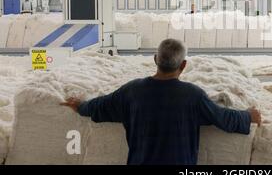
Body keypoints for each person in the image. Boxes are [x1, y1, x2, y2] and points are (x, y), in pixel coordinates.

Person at [61, 39, 261, 165]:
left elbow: (99, 107)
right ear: (183, 65)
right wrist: (248, 116)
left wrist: (79, 105)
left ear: (155, 59)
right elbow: (223, 118)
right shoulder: (193, 96)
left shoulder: (132, 91)